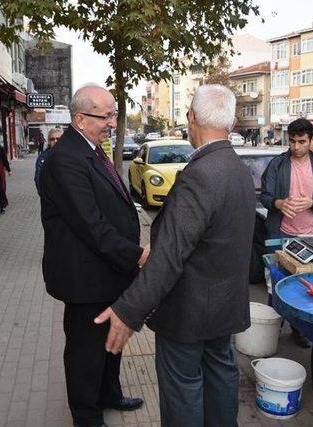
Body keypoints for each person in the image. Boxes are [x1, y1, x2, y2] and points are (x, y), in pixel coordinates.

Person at [95, 84, 256, 427]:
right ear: (230, 121)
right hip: (224, 308)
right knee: (221, 378)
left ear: (192, 118)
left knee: (183, 390)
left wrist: (127, 312)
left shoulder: (200, 175)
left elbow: (169, 258)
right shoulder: (239, 169)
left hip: (188, 312)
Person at [39, 85, 148, 427]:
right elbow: (91, 225)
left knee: (112, 340)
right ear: (80, 119)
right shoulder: (66, 159)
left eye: (114, 114)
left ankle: (109, 394)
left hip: (108, 272)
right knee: (86, 352)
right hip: (84, 278)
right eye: (107, 116)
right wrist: (138, 256)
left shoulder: (90, 148)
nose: (113, 123)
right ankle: (87, 415)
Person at [259, 117, 313, 347]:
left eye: (301, 142)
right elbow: (265, 196)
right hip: (282, 234)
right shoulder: (277, 164)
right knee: (277, 283)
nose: (296, 147)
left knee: (305, 285)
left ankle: (299, 329)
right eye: (292, 141)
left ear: (312, 140)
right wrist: (279, 203)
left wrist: (312, 202)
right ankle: (272, 327)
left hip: (311, 236)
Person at [34, 128, 62, 193]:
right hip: (49, 198)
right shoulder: (42, 158)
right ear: (49, 141)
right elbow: (38, 179)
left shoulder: (70, 155)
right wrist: (44, 196)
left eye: (58, 139)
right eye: (52, 139)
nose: (55, 141)